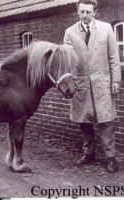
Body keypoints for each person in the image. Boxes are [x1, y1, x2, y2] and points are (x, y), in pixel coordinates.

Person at [63, 0, 121, 173]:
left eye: (88, 12)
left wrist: (116, 80)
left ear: (95, 12)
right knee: (84, 121)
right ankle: (89, 154)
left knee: (106, 121)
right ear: (77, 12)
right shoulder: (70, 32)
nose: (85, 15)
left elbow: (113, 57)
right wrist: (69, 83)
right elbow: (68, 60)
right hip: (80, 84)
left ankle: (111, 158)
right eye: (82, 12)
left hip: (103, 83)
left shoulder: (106, 29)